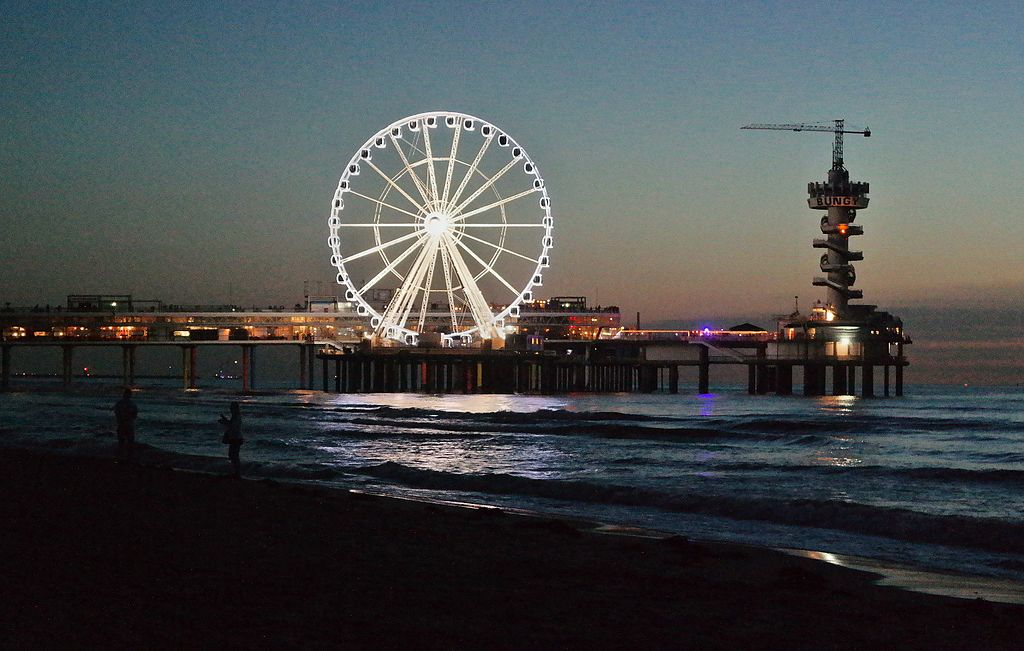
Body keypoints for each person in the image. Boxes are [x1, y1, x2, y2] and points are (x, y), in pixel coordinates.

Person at [218, 402, 243, 478]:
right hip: (235, 438)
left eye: (231, 407)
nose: (230, 409)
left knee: (234, 456)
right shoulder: (235, 416)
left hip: (236, 438)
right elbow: (232, 424)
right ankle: (235, 472)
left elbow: (232, 426)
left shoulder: (237, 416)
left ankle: (237, 473)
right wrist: (225, 420)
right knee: (233, 455)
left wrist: (224, 422)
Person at [113, 388, 138, 462]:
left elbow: (116, 413)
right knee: (130, 442)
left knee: (121, 442)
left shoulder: (119, 403)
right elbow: (135, 415)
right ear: (130, 395)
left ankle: (121, 457)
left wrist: (120, 420)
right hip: (129, 424)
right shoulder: (132, 404)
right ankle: (129, 458)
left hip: (121, 424)